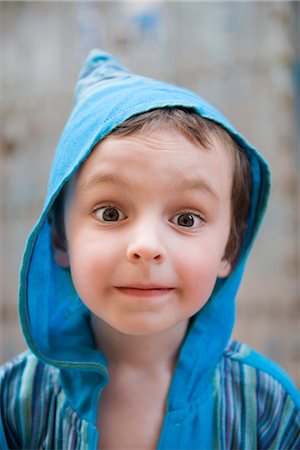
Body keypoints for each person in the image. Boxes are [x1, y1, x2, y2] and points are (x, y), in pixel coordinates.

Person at [0, 49, 299, 450]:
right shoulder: (18, 404)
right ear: (59, 238)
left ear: (230, 247)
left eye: (187, 219)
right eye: (110, 213)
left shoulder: (266, 406)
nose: (146, 247)